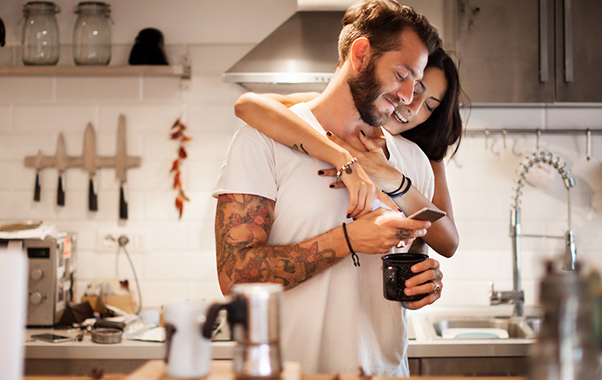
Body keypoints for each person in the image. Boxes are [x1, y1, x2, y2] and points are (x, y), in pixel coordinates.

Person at [214, 0, 442, 375]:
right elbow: (234, 275)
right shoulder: (262, 141)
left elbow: (413, 258)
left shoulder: (412, 161)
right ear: (361, 53)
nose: (407, 96)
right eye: (401, 74)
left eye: (415, 84)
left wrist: (425, 283)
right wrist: (349, 239)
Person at [234, 47, 463, 258]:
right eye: (413, 89)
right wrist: (341, 155)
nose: (413, 107)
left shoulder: (421, 155)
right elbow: (248, 105)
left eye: (430, 106)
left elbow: (448, 242)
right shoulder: (332, 113)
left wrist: (391, 179)